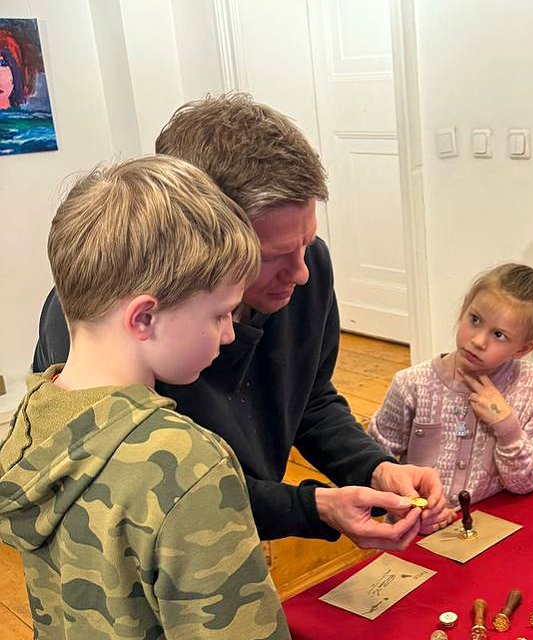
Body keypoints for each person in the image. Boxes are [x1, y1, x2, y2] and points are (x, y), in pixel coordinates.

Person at [31, 93, 445, 547]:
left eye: (308, 242)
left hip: (239, 531)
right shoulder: (97, 327)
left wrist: (374, 467)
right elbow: (161, 493)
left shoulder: (305, 268)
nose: (301, 273)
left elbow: (309, 398)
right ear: (202, 234)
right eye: (271, 256)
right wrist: (313, 508)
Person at [0, 156, 290, 639]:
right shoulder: (190, 463)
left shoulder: (33, 420)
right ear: (144, 318)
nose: (227, 334)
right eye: (220, 314)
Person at [370, 263, 533, 517]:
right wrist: (411, 507)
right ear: (465, 307)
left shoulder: (532, 386)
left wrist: (508, 429)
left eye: (499, 335)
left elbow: (526, 483)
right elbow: (375, 469)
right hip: (416, 528)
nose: (478, 341)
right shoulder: (411, 384)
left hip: (494, 529)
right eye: (475, 319)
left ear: (523, 349)